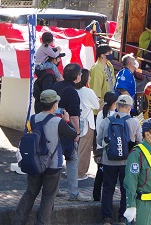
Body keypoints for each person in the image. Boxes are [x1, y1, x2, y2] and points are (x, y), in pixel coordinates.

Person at [13, 90, 79, 225]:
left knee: (30, 193)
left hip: (34, 163)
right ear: (54, 105)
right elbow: (73, 135)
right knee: (48, 197)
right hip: (53, 165)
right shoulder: (58, 122)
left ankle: (18, 221)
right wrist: (67, 120)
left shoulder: (32, 119)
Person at [96, 95, 143, 225]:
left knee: (107, 189)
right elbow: (139, 142)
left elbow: (99, 140)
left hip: (108, 161)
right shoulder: (134, 122)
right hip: (127, 162)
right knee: (126, 189)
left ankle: (107, 218)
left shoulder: (106, 121)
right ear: (129, 107)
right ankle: (123, 218)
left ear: (117, 105)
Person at [52, 63, 92, 202]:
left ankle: (54, 189)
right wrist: (77, 133)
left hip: (52, 127)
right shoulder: (72, 92)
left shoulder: (56, 86)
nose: (81, 76)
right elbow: (74, 116)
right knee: (72, 158)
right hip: (66, 128)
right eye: (80, 74)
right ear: (77, 77)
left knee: (55, 159)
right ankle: (74, 193)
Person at [123, 117, 151, 225]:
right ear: (148, 134)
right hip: (142, 204)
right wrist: (131, 206)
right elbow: (131, 181)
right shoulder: (137, 154)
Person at [93, 92, 119, 201]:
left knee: (100, 172)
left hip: (99, 147)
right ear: (114, 103)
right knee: (109, 176)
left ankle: (96, 195)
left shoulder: (100, 114)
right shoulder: (115, 115)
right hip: (110, 148)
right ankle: (104, 196)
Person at [76, 69, 101, 180]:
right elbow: (97, 106)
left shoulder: (73, 89)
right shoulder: (87, 91)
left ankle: (74, 172)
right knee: (84, 149)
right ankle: (80, 173)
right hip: (86, 122)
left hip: (74, 121)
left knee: (76, 149)